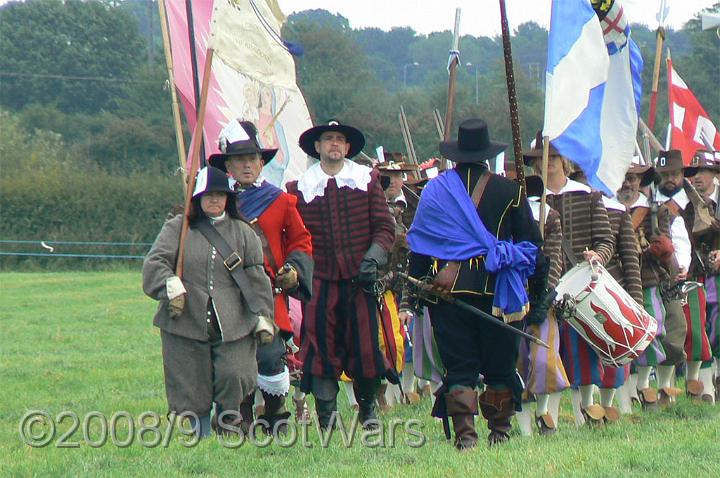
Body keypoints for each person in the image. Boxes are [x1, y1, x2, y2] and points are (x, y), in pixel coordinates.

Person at [407, 119, 547, 449]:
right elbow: (533, 249)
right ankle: (499, 434)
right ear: (487, 155)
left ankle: (466, 439)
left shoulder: (435, 190)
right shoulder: (510, 191)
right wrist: (538, 295)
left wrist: (420, 289)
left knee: (460, 368)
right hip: (498, 293)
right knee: (500, 367)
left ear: (456, 155)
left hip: (447, 294)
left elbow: (421, 247)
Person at [142, 166, 275, 438]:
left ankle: (227, 426)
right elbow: (155, 263)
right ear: (197, 198)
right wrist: (170, 283)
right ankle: (200, 435)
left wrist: (262, 314)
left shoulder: (243, 232)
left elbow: (256, 277)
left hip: (235, 321)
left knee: (235, 374)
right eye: (207, 195)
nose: (214, 200)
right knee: (191, 380)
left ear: (228, 198)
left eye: (219, 195)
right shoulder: (179, 227)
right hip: (185, 319)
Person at [286, 120, 396, 430]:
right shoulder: (299, 189)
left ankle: (369, 411)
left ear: (347, 148)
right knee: (320, 346)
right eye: (328, 139)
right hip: (320, 281)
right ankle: (327, 419)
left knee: (364, 345)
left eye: (340, 140)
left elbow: (385, 228)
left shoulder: (366, 180)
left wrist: (372, 258)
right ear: (317, 147)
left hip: (360, 280)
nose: (334, 144)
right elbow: (295, 237)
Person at [208, 119, 314, 432]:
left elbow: (301, 241)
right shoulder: (215, 202)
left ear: (261, 162)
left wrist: (293, 269)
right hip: (227, 295)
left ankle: (275, 415)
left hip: (268, 294)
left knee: (269, 357)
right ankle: (238, 418)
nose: (247, 165)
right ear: (228, 164)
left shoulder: (279, 200)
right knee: (234, 358)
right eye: (239, 159)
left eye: (252, 159)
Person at [525, 135, 615, 426]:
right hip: (542, 286)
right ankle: (545, 414)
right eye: (542, 157)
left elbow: (605, 240)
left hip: (578, 286)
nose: (548, 161)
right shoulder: (528, 202)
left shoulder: (588, 195)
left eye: (553, 156)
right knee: (544, 353)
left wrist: (597, 255)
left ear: (563, 159)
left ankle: (586, 412)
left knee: (582, 351)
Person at [514, 174, 569, 437]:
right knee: (518, 361)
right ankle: (524, 430)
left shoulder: (551, 216)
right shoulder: (508, 213)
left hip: (542, 296)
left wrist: (547, 292)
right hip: (512, 294)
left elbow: (555, 256)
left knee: (544, 359)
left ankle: (543, 411)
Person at [616, 159, 673, 409]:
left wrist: (661, 248)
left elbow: (667, 243)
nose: (628, 182)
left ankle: (644, 386)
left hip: (646, 277)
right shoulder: (608, 209)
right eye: (624, 177)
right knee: (621, 335)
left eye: (633, 177)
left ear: (641, 182)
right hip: (616, 278)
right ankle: (625, 391)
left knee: (652, 329)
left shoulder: (654, 211)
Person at [652, 150, 692, 404]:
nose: (670, 179)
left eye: (674, 173)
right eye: (665, 174)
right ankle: (653, 389)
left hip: (675, 279)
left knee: (677, 329)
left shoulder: (689, 203)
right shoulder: (648, 204)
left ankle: (667, 388)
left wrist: (683, 267)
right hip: (648, 275)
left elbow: (682, 242)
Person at [682, 150, 720, 402]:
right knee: (701, 333)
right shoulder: (686, 206)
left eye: (702, 171)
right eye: (693, 172)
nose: (696, 177)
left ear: (715, 174)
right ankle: (707, 387)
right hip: (697, 276)